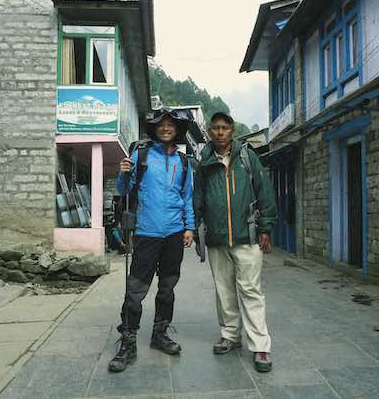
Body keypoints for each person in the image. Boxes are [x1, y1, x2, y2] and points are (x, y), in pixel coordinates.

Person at [108, 109, 195, 373]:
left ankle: (160, 334)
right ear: (155, 129)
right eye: (162, 125)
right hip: (146, 233)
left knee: (167, 289)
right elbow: (123, 190)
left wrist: (189, 227)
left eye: (171, 125)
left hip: (173, 234)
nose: (166, 128)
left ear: (176, 130)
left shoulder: (184, 161)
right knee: (135, 290)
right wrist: (123, 172)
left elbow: (187, 197)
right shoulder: (141, 155)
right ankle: (128, 341)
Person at [194, 112, 277, 373]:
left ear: (232, 131)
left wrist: (265, 228)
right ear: (209, 131)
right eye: (215, 128)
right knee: (223, 290)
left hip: (247, 237)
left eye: (225, 128)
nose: (220, 132)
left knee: (251, 291)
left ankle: (261, 346)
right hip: (217, 239)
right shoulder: (204, 162)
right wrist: (197, 231)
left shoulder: (246, 157)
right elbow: (197, 198)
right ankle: (230, 335)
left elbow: (265, 193)